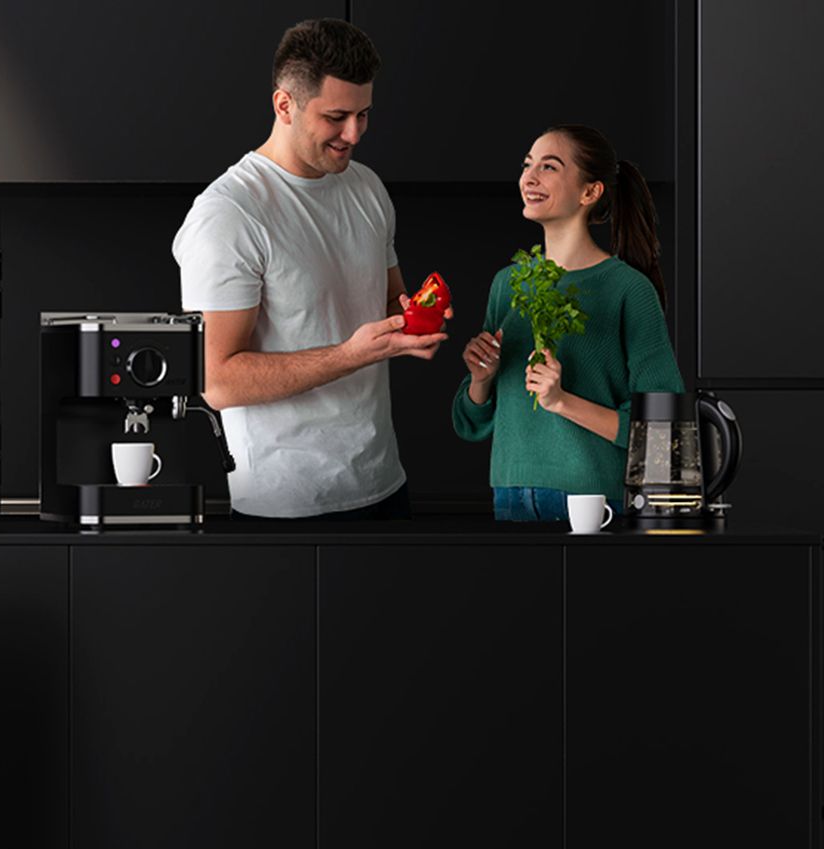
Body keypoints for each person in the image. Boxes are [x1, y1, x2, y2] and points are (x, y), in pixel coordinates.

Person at [172, 18, 449, 520]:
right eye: (337, 117)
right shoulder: (229, 214)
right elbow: (216, 380)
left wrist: (412, 324)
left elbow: (389, 300)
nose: (354, 134)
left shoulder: (366, 188)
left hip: (384, 483)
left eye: (364, 115)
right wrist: (350, 354)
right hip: (285, 504)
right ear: (285, 105)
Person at [452, 124, 685, 522]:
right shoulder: (508, 284)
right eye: (527, 165)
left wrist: (562, 401)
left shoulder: (629, 290)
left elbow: (662, 433)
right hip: (509, 495)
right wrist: (481, 378)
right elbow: (470, 422)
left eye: (549, 167)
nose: (529, 177)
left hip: (593, 501)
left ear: (589, 192)